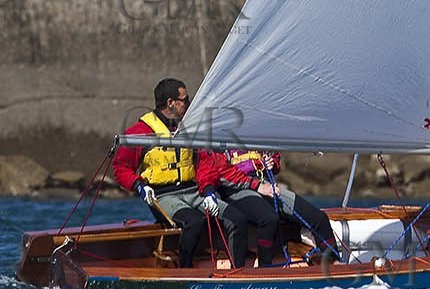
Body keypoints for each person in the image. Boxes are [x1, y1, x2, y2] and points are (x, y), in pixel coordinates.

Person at [112, 78, 215, 269]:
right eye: (186, 100)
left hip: (192, 191)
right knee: (193, 221)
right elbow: (121, 168)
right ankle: (186, 269)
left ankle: (234, 265)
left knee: (232, 216)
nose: (189, 104)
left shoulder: (189, 129)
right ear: (170, 103)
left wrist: (208, 190)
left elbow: (205, 162)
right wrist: (139, 186)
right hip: (161, 196)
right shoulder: (140, 132)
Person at [196, 146, 340, 266]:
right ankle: (265, 268)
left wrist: (273, 162)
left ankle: (333, 262)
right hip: (237, 189)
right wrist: (257, 186)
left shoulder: (258, 127)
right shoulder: (221, 131)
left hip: (265, 184)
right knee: (268, 219)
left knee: (319, 218)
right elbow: (220, 171)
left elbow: (275, 155)